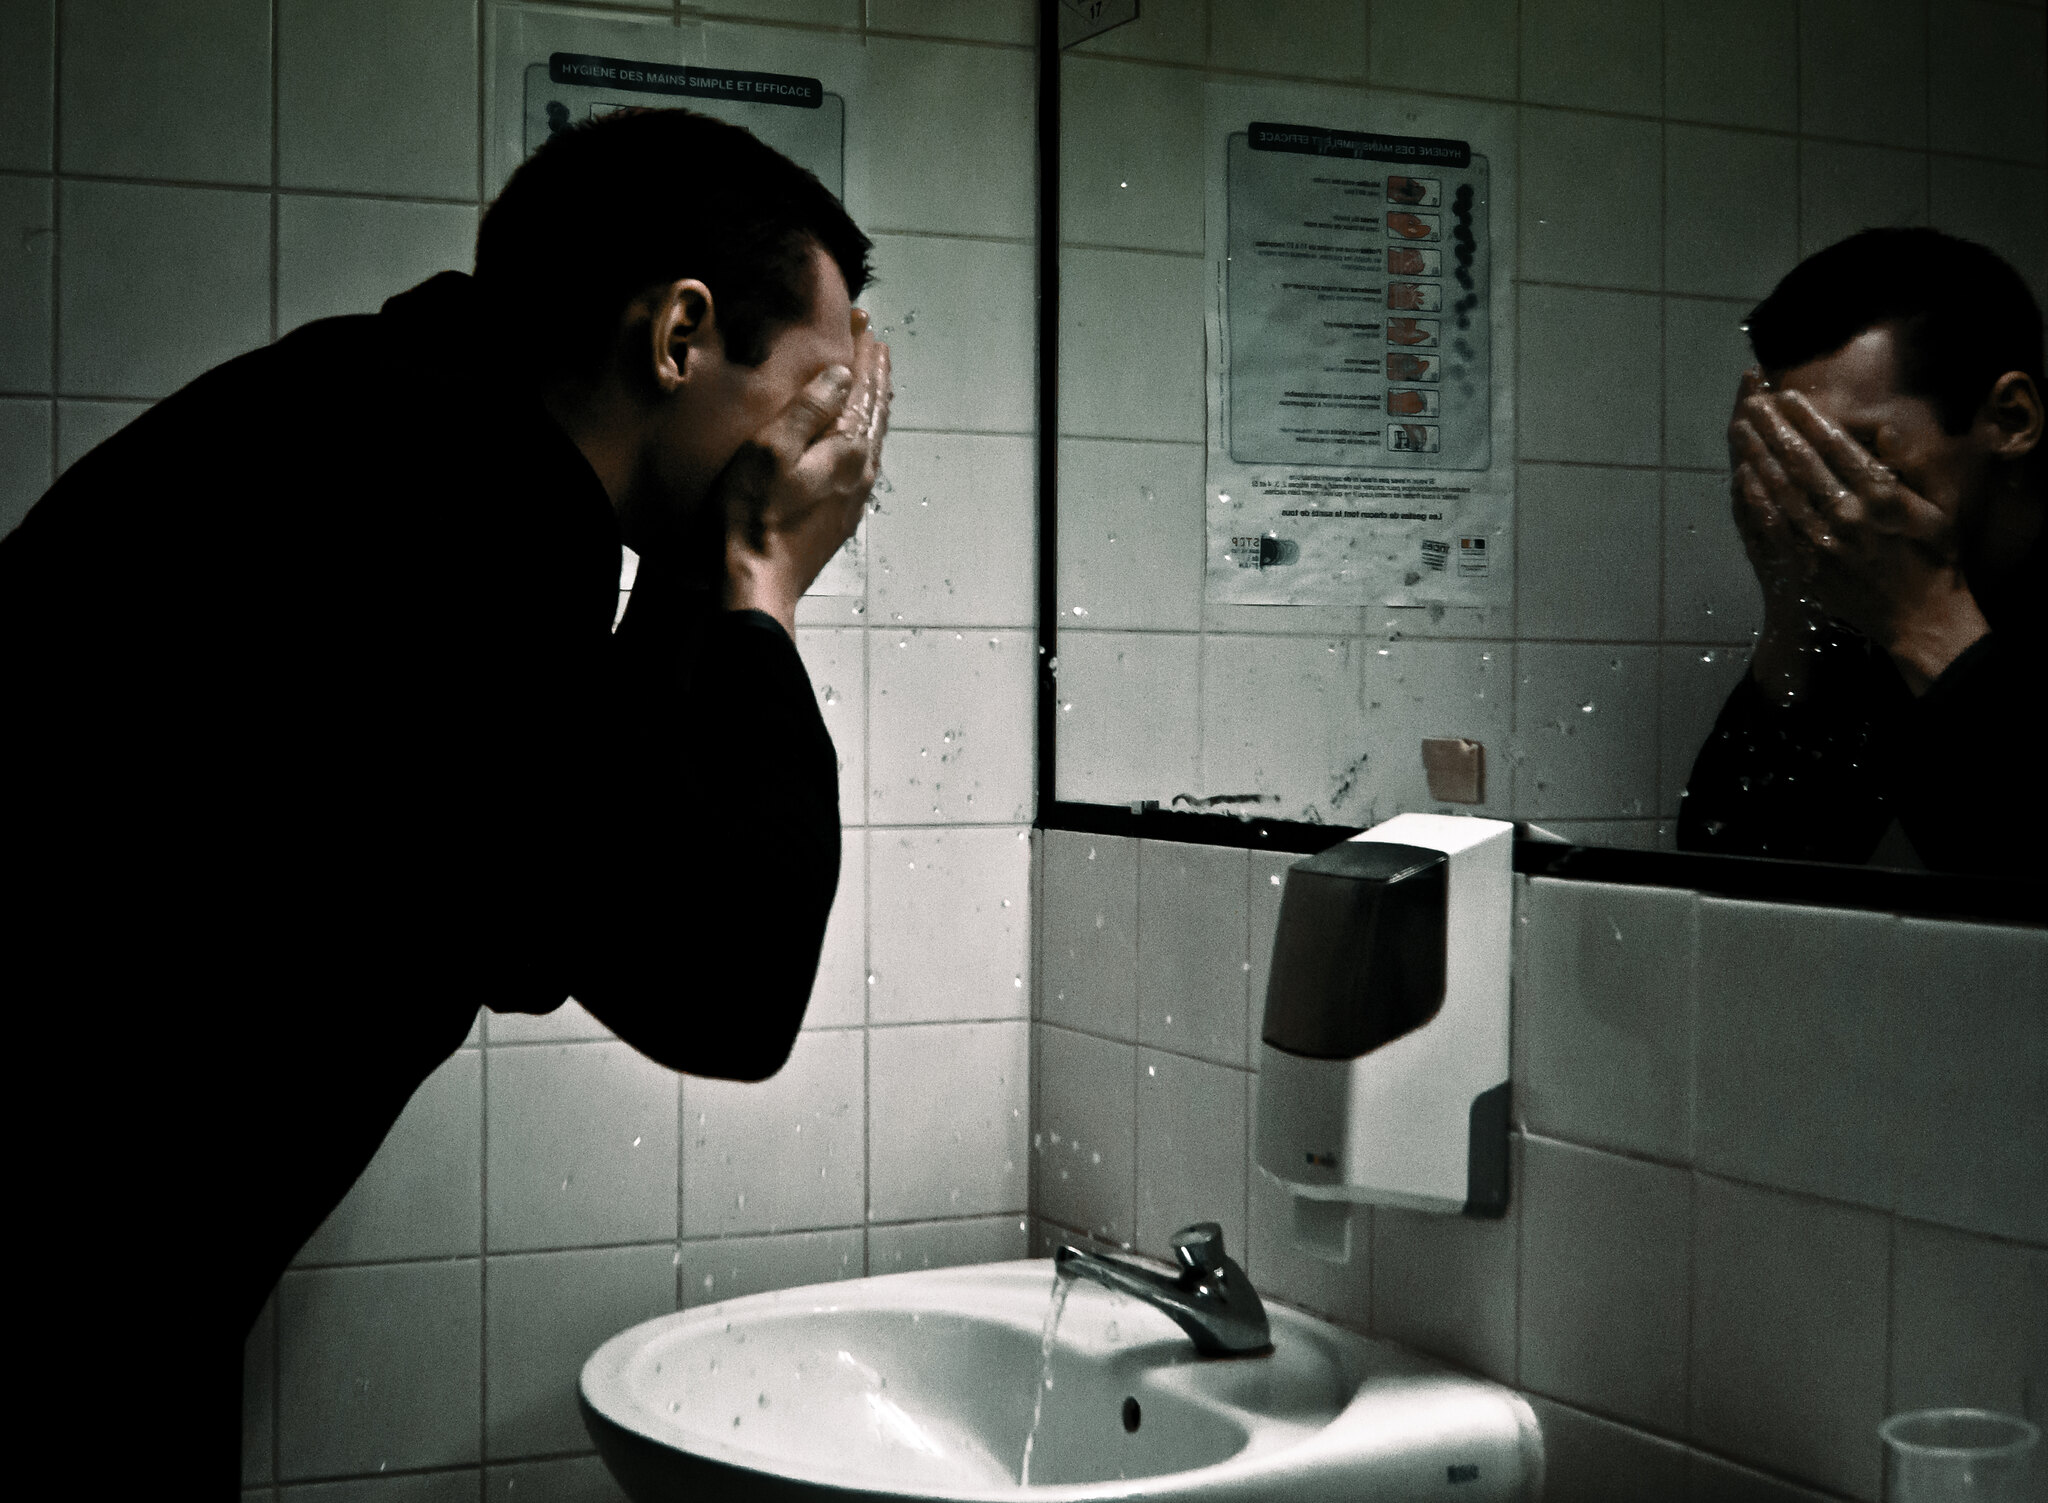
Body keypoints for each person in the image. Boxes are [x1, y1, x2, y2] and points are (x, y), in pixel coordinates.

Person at [2, 108, 889, 1489]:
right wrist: (760, 578)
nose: (835, 453)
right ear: (677, 336)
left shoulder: (381, 421)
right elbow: (727, 986)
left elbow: (598, 822)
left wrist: (687, 560)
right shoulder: (458, 523)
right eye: (818, 396)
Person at [1677, 228, 2045, 876]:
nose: (1827, 497)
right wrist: (1794, 606)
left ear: (2011, 420)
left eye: (1857, 450)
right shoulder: (1874, 590)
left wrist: (1928, 623)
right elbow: (1739, 869)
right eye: (1798, 457)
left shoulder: (1902, 589)